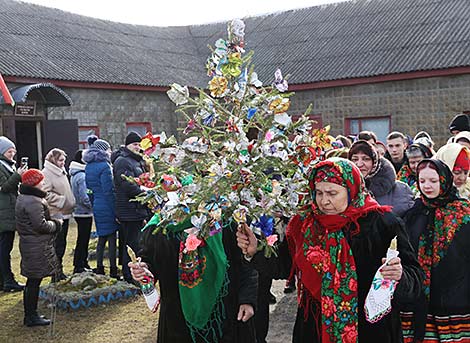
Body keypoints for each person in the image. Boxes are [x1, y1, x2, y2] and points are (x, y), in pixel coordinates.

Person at [238, 158, 422, 343]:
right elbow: (285, 266)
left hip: (370, 328)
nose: (324, 201)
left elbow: (415, 278)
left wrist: (400, 275)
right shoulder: (305, 224)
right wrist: (255, 251)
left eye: (332, 193)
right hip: (314, 327)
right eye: (318, 193)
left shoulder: (382, 223)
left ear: (351, 190)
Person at [129, 220, 258, 342]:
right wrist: (144, 270)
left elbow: (246, 260)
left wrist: (247, 299)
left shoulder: (225, 218)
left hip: (224, 315)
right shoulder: (160, 224)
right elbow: (149, 259)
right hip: (178, 319)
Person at [401, 159, 470, 342]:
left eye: (433, 181)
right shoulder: (413, 213)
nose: (427, 186)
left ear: (444, 180)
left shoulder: (463, 213)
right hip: (417, 299)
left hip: (455, 296)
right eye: (422, 181)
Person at [16, 169, 62, 326]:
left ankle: (30, 314)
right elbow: (40, 225)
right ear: (34, 183)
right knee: (34, 281)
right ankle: (31, 316)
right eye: (41, 181)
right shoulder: (33, 201)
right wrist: (56, 224)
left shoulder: (26, 197)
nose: (43, 184)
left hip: (31, 244)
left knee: (32, 281)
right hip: (36, 246)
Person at [111, 131, 149, 283]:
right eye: (134, 144)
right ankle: (129, 276)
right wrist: (145, 193)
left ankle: (132, 273)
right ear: (127, 145)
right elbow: (126, 184)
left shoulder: (137, 160)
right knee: (131, 245)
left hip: (137, 208)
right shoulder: (123, 161)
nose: (137, 147)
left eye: (139, 144)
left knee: (135, 243)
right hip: (128, 209)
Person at [83, 137, 119, 278]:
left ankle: (99, 266)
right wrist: (115, 209)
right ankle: (113, 269)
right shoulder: (105, 166)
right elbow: (108, 190)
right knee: (111, 238)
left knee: (101, 237)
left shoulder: (88, 165)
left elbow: (89, 190)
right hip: (106, 204)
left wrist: (94, 203)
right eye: (108, 149)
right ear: (104, 151)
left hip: (97, 203)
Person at [349, 140, 414, 216]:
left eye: (366, 159)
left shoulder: (401, 190)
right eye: (355, 159)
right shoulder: (342, 189)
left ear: (375, 162)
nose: (359, 164)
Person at [42, 148, 75, 281]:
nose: (63, 163)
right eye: (61, 160)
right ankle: (55, 273)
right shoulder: (47, 173)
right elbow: (45, 193)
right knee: (57, 245)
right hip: (56, 214)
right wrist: (61, 201)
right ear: (53, 160)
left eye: (64, 160)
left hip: (65, 213)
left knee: (62, 243)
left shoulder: (60, 172)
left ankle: (59, 271)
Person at [0, 136, 27, 291]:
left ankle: (4, 280)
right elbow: (4, 187)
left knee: (5, 247)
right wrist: (18, 175)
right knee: (5, 248)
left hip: (8, 210)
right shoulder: (1, 166)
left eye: (14, 151)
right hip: (4, 212)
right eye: (9, 151)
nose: (13, 154)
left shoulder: (8, 165)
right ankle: (8, 280)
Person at [70, 150, 93, 274]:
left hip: (78, 211)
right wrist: (92, 206)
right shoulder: (82, 176)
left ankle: (81, 262)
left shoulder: (75, 174)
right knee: (83, 239)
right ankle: (80, 264)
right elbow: (85, 197)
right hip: (84, 212)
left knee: (82, 239)